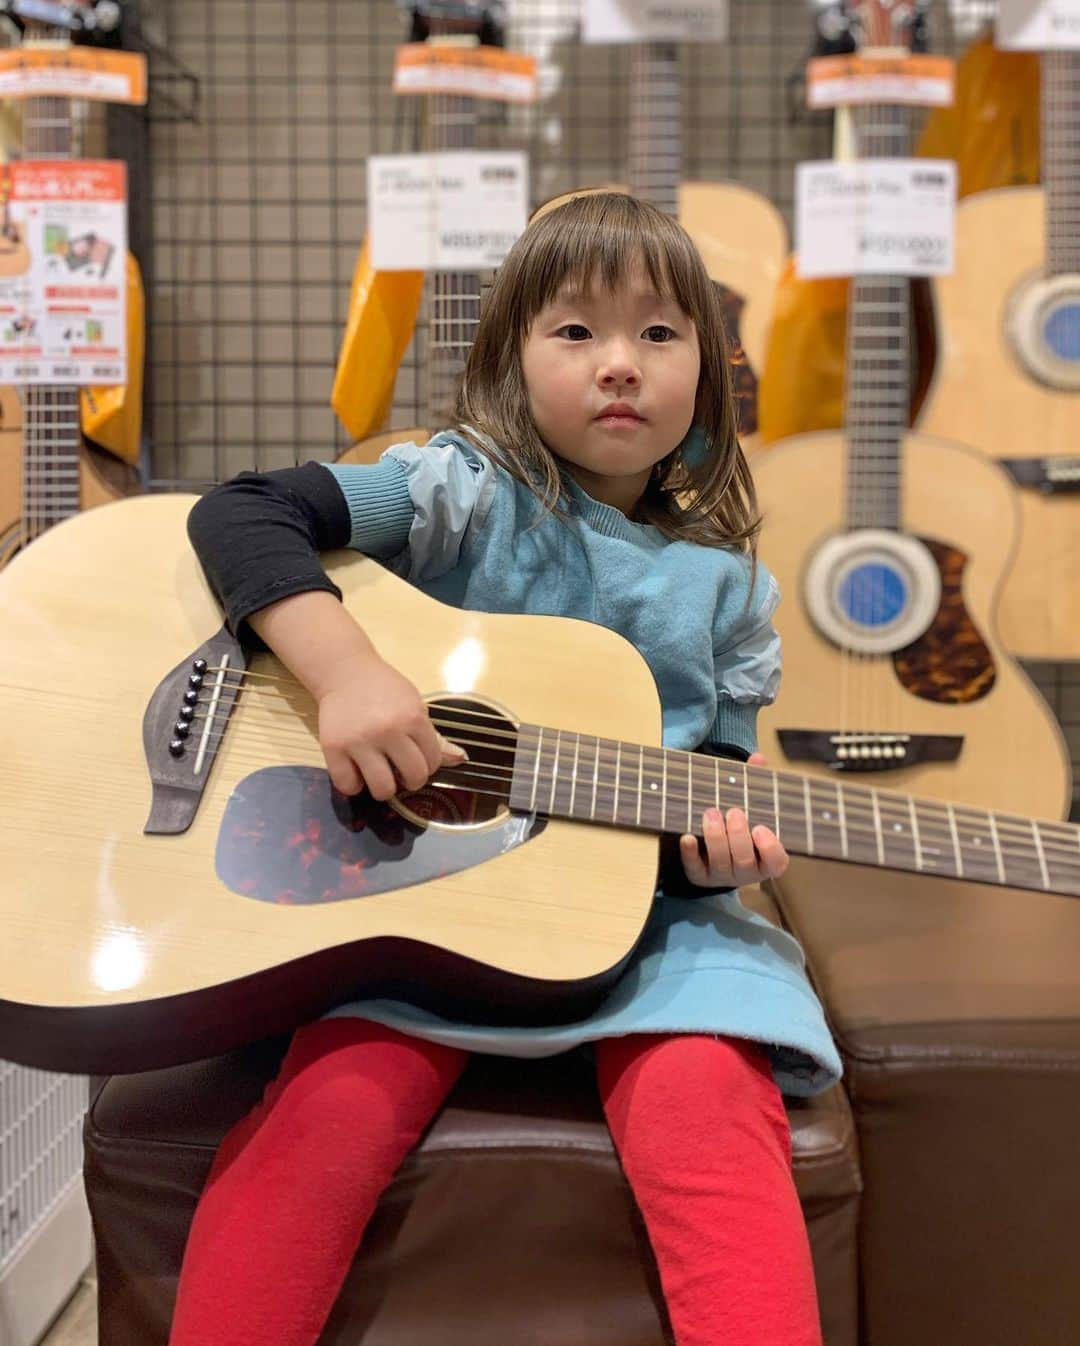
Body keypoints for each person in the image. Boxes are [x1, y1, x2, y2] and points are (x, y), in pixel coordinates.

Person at [173, 191, 842, 1346]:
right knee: (330, 1108)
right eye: (575, 331)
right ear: (508, 360)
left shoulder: (732, 594)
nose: (620, 364)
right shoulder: (456, 490)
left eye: (660, 333)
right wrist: (346, 673)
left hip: (655, 942)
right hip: (425, 914)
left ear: (712, 374)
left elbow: (696, 823)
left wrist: (710, 855)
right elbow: (244, 514)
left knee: (708, 1102)